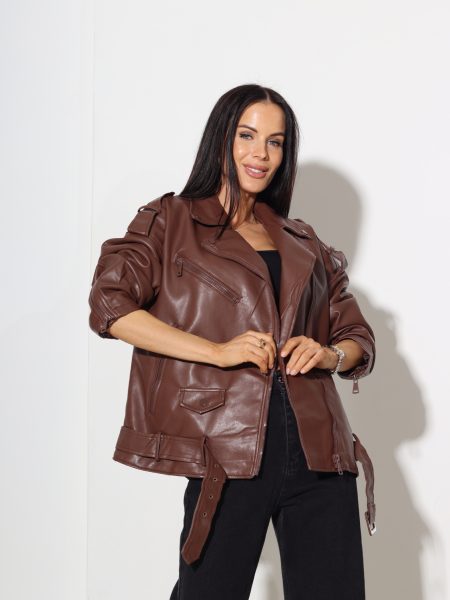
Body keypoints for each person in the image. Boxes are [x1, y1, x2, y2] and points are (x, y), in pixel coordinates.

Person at [88, 83, 376, 599]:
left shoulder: (302, 239)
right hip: (227, 449)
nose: (260, 154)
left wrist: (329, 353)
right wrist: (217, 351)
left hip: (320, 451)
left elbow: (356, 336)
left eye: (275, 141)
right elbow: (111, 307)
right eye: (247, 135)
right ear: (221, 137)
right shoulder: (171, 220)